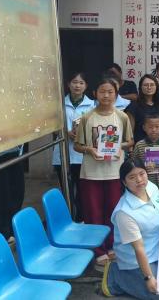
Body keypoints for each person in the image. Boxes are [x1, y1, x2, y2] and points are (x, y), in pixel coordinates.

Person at [74, 78, 134, 267]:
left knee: (113, 211)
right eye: (102, 91)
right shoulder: (87, 117)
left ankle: (111, 246)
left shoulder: (122, 117)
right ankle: (98, 250)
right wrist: (90, 150)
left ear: (116, 94)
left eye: (110, 92)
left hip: (114, 172)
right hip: (91, 173)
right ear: (95, 94)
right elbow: (77, 145)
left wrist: (119, 148)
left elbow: (129, 142)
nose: (106, 95)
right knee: (93, 212)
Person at [101, 158, 159, 300]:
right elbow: (139, 249)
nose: (139, 180)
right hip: (137, 259)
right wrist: (148, 278)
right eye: (132, 177)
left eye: (142, 174)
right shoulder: (124, 212)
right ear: (124, 182)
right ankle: (115, 276)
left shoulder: (151, 187)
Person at [52, 71, 94, 221]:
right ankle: (67, 221)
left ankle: (80, 220)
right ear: (68, 84)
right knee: (66, 191)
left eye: (81, 83)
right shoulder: (59, 104)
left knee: (82, 191)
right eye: (74, 82)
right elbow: (52, 126)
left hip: (82, 155)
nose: (77, 86)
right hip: (63, 154)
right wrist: (65, 132)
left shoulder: (92, 105)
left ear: (86, 86)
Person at [132, 114, 159, 190]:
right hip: (146, 181)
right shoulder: (139, 145)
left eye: (157, 127)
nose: (154, 130)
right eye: (150, 127)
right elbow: (133, 162)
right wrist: (143, 166)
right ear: (144, 128)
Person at [125, 75, 159, 143]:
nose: (149, 87)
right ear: (140, 87)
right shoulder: (133, 106)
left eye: (152, 85)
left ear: (156, 87)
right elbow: (130, 132)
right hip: (141, 146)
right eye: (146, 85)